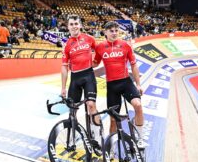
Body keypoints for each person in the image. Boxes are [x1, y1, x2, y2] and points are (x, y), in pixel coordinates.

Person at [93, 21, 145, 149]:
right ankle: (111, 147)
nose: (114, 33)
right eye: (111, 31)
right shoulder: (100, 47)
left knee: (138, 105)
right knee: (112, 120)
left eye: (116, 30)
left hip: (126, 82)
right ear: (105, 32)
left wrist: (138, 84)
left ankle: (140, 138)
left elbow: (133, 65)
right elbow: (94, 63)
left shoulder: (125, 45)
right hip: (112, 86)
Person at [61, 14, 101, 152]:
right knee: (72, 110)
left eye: (76, 24)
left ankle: (97, 138)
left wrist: (96, 62)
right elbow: (64, 67)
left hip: (88, 75)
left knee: (91, 105)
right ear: (68, 27)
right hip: (75, 78)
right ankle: (71, 139)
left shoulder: (89, 39)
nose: (74, 26)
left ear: (80, 25)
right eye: (71, 24)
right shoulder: (67, 45)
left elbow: (100, 51)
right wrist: (63, 87)